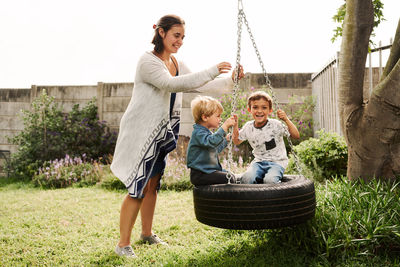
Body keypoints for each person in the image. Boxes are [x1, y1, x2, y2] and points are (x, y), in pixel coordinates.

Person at [111, 14, 244, 258]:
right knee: (138, 187)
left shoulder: (176, 62)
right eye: (176, 35)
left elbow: (200, 86)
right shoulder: (147, 61)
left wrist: (229, 80)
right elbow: (172, 85)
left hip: (161, 133)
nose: (180, 41)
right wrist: (213, 70)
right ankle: (122, 244)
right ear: (161, 33)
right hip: (141, 133)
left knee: (153, 185)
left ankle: (147, 233)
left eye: (183, 37)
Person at [232, 91, 300, 184]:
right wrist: (235, 125)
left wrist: (286, 119)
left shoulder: (276, 125)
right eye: (255, 107)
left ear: (270, 110)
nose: (259, 111)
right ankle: (253, 198)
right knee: (246, 179)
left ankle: (275, 196)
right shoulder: (248, 127)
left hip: (277, 162)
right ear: (249, 109)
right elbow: (236, 141)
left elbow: (296, 135)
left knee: (270, 180)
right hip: (258, 163)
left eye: (264, 108)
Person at [186, 95, 238, 186]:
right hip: (200, 174)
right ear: (205, 117)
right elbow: (211, 142)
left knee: (231, 176)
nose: (220, 119)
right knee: (230, 179)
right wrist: (225, 126)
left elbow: (215, 149)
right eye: (218, 116)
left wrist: (226, 140)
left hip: (208, 172)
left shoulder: (206, 133)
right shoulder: (198, 133)